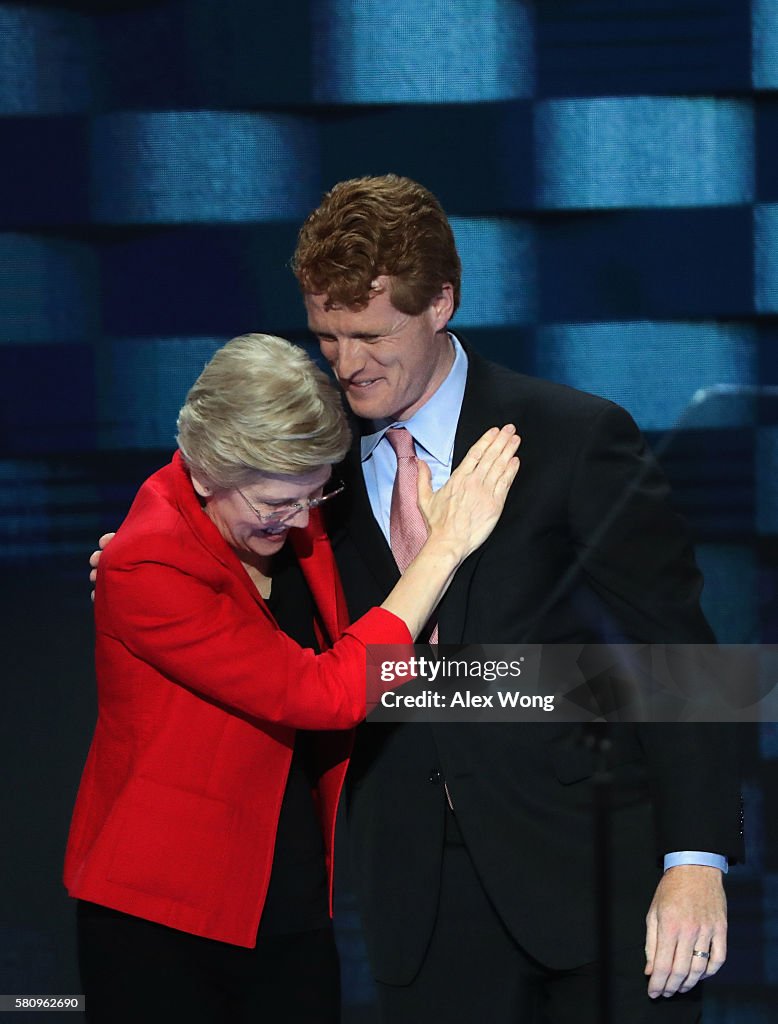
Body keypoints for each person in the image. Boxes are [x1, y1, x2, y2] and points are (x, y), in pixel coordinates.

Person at [288, 175, 743, 1023]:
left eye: (370, 334)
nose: (347, 364)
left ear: (441, 303)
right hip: (418, 903)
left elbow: (681, 655)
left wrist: (695, 859)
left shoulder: (573, 438)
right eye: (326, 336)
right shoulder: (310, 467)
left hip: (595, 882)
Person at [66, 331, 520, 1024]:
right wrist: (447, 547)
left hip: (288, 893)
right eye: (275, 504)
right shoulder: (146, 564)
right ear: (205, 470)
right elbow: (323, 693)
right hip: (164, 909)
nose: (299, 519)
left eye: (313, 494)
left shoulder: (292, 514)